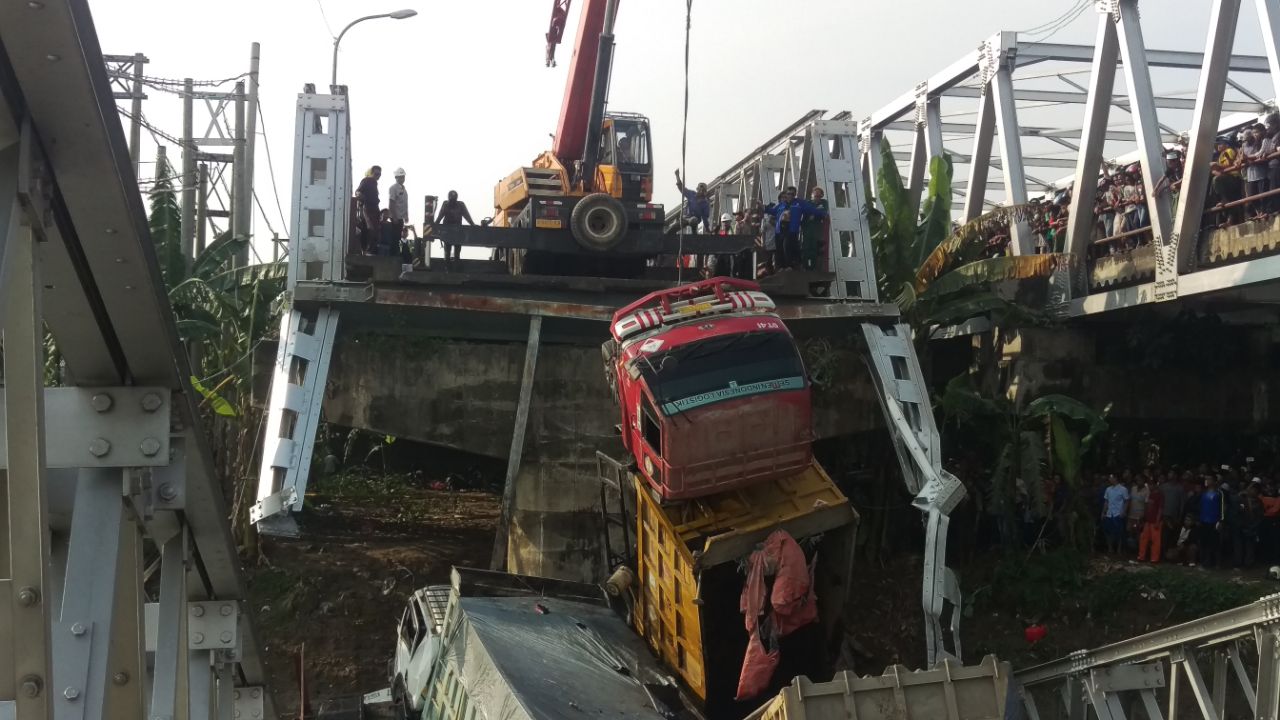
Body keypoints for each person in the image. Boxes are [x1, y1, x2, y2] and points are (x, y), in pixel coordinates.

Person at [765, 186, 827, 270]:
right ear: (786, 194)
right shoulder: (781, 204)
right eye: (788, 194)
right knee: (779, 250)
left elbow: (811, 209)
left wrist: (823, 213)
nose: (790, 195)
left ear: (795, 195)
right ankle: (782, 268)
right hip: (779, 231)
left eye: (792, 194)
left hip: (791, 230)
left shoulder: (799, 203)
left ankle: (790, 266)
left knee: (787, 247)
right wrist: (763, 207)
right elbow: (773, 211)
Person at [434, 190, 475, 265]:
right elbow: (440, 216)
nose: (452, 201)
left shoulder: (461, 205)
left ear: (456, 198)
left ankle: (456, 264)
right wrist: (435, 225)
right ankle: (448, 265)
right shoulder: (446, 204)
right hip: (448, 232)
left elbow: (467, 216)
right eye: (451, 199)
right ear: (448, 198)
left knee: (457, 253)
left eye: (454, 199)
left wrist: (473, 225)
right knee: (447, 252)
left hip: (457, 232)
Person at [1212, 136, 1244, 225]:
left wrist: (1216, 166)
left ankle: (1224, 199)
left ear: (1226, 145)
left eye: (1220, 144)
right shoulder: (1221, 155)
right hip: (1226, 179)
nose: (1218, 146)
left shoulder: (1229, 151)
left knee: (1216, 180)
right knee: (1231, 200)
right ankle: (1229, 221)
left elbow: (1229, 164)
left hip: (1234, 178)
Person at [1198, 475, 1225, 568]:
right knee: (1204, 542)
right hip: (1204, 520)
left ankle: (1217, 563)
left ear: (1214, 481)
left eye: (1209, 479)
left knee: (1215, 543)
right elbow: (1201, 507)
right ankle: (1205, 562)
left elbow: (1222, 508)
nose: (1207, 481)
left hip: (1214, 521)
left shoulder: (1219, 493)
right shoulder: (1203, 493)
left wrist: (1221, 520)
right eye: (1206, 479)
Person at [800, 187, 829, 271]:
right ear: (812, 195)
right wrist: (817, 211)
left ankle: (813, 267)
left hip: (817, 228)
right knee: (806, 247)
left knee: (814, 248)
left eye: (819, 196)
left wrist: (814, 213)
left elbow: (824, 212)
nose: (817, 198)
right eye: (816, 196)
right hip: (807, 227)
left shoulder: (824, 202)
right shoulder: (807, 203)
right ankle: (805, 266)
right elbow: (805, 212)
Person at [1138, 476, 1165, 563]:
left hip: (1155, 522)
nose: (1150, 486)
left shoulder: (1160, 495)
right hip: (1148, 521)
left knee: (1155, 541)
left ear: (1155, 485)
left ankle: (1154, 558)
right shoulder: (1150, 494)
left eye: (1151, 484)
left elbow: (1160, 509)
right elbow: (1148, 507)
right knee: (1143, 538)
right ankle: (1141, 556)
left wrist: (1157, 521)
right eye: (1149, 484)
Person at [1102, 473, 1130, 555]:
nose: (1110, 479)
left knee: (1119, 532)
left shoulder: (1123, 489)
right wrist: (1103, 512)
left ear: (1116, 478)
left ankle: (1119, 549)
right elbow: (1106, 501)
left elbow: (1127, 501)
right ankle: (1110, 548)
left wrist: (1124, 511)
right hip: (1109, 513)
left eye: (1111, 477)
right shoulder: (1108, 489)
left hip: (1118, 513)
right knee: (1108, 531)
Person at [356, 165, 382, 254]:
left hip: (374, 209)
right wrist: (360, 196)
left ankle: (368, 250)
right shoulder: (367, 180)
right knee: (369, 229)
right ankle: (365, 250)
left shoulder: (374, 183)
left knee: (375, 230)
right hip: (367, 208)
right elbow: (358, 191)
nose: (378, 176)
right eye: (376, 174)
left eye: (379, 174)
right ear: (371, 173)